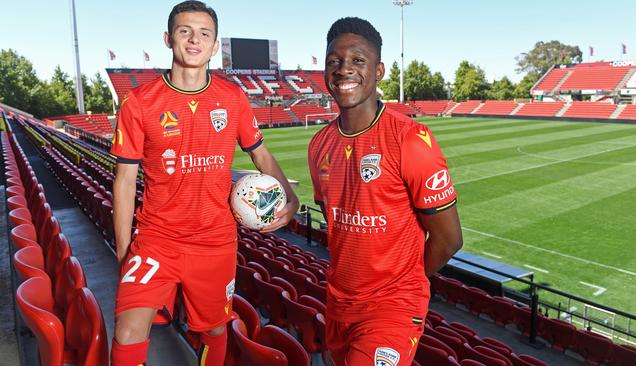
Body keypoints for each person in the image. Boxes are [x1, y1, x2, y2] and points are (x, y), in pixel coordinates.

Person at [109, 1, 298, 365]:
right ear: (168, 39)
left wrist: (290, 201)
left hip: (215, 243)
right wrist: (123, 252)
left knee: (213, 330)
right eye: (185, 31)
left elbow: (260, 154)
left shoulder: (232, 98)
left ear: (214, 46)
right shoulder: (139, 102)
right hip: (156, 241)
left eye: (204, 33)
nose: (194, 40)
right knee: (128, 329)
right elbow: (125, 179)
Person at [308, 17, 463, 365]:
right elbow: (332, 217)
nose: (344, 69)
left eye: (357, 60)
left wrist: (400, 286)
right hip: (339, 302)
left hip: (392, 308)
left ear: (378, 71)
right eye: (335, 61)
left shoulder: (410, 140)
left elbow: (449, 239)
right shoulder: (319, 145)